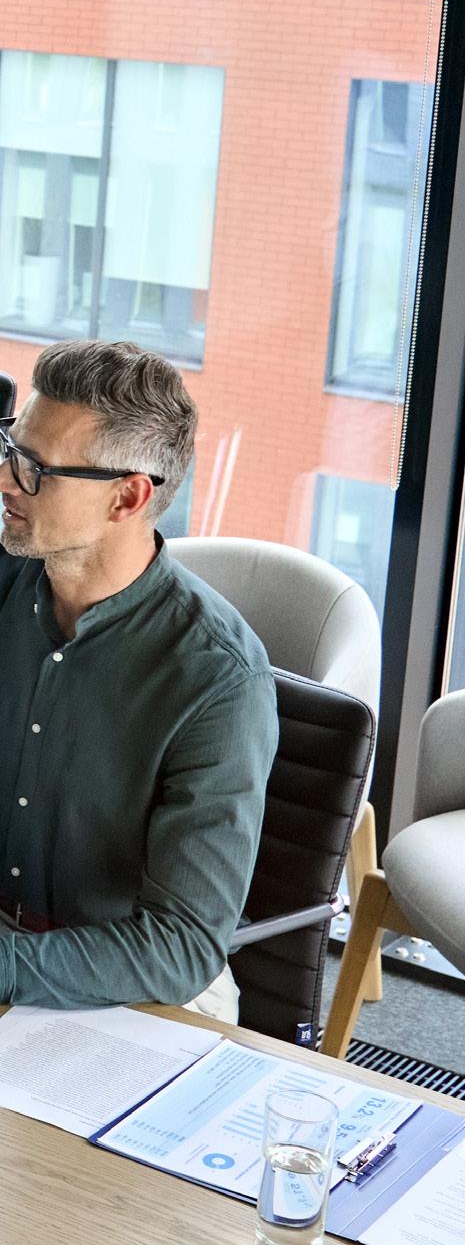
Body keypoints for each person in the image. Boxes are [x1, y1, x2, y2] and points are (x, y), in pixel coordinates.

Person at [0, 339, 278, 1021]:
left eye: (36, 470)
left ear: (127, 497)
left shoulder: (220, 680)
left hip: (128, 983)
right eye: (11, 450)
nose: (6, 479)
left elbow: (179, 948)